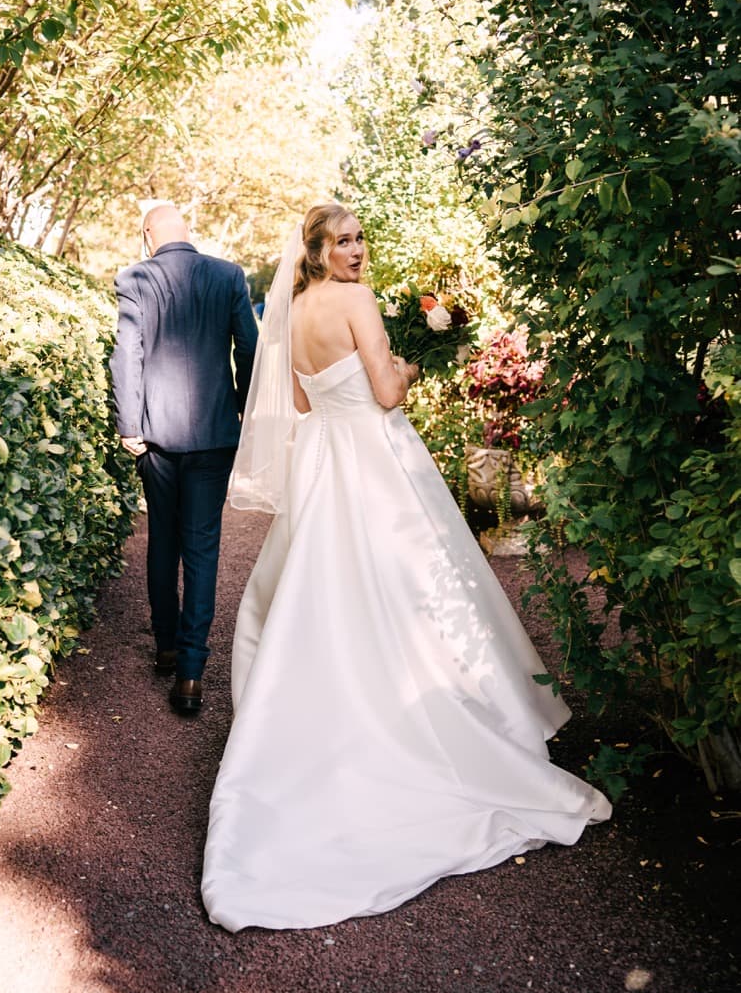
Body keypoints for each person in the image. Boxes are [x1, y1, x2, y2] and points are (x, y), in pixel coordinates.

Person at [201, 201, 611, 930]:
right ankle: (425, 718)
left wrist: (353, 382)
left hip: (325, 463)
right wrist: (411, 363)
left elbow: (298, 399)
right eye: (343, 242)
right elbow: (387, 393)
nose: (356, 251)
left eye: (360, 239)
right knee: (413, 584)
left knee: (327, 589)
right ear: (320, 250)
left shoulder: (292, 310)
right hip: (375, 458)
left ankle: (331, 709)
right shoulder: (357, 300)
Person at [110, 203, 258, 716]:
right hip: (215, 436)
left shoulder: (135, 278)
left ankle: (167, 647)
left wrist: (129, 424)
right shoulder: (227, 275)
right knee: (202, 550)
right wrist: (238, 411)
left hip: (156, 436)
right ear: (185, 233)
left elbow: (127, 353)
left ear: (147, 235)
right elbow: (250, 349)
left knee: (163, 542)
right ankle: (192, 674)